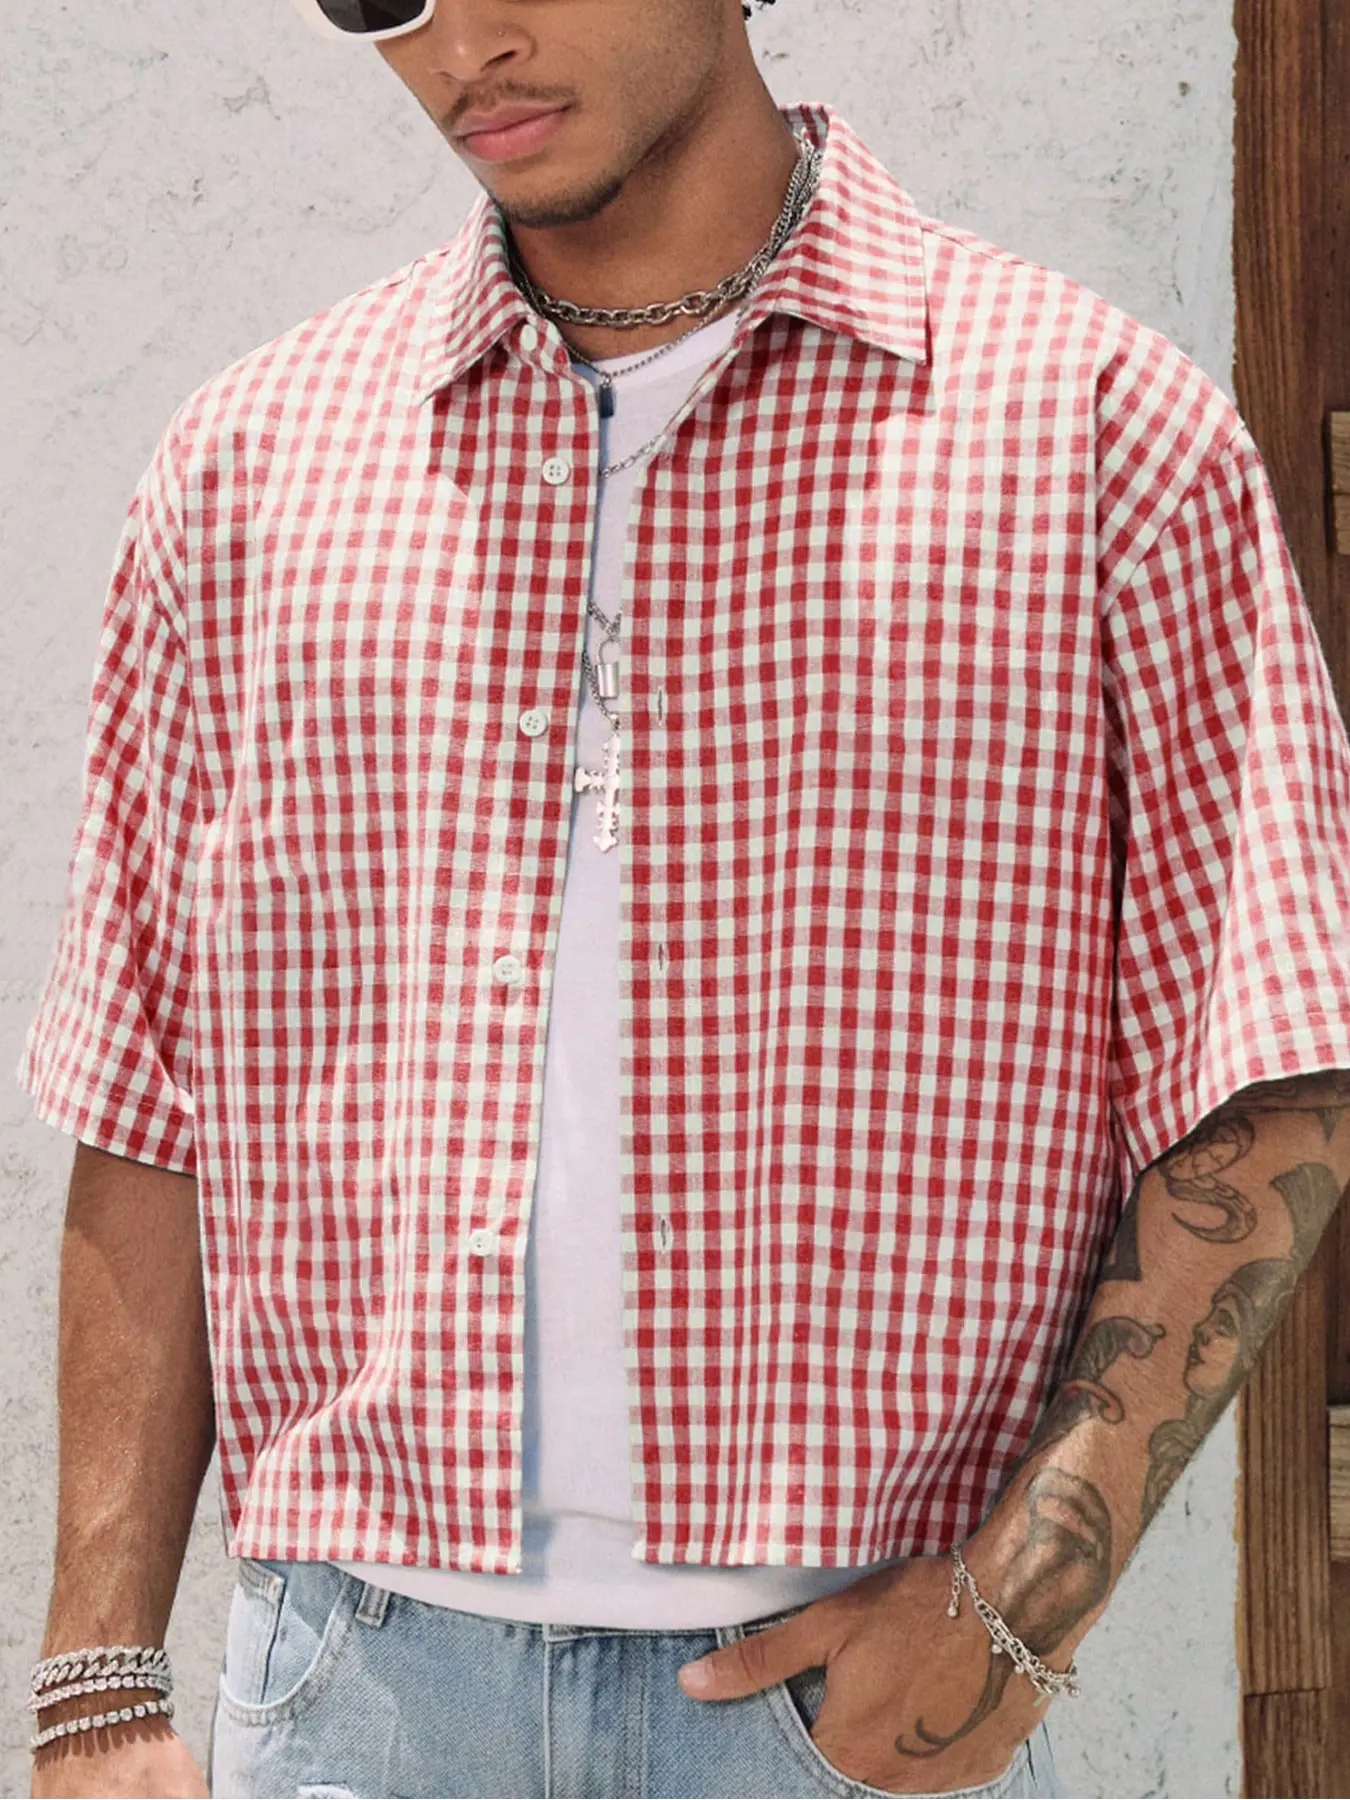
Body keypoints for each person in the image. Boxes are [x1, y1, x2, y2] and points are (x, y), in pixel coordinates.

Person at [20, 0, 1350, 1795]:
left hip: (836, 1708)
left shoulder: (1092, 430)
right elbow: (149, 1095)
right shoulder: (250, 469)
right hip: (353, 1696)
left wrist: (1014, 1610)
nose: (458, 41)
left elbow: (1275, 1065)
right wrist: (97, 1686)